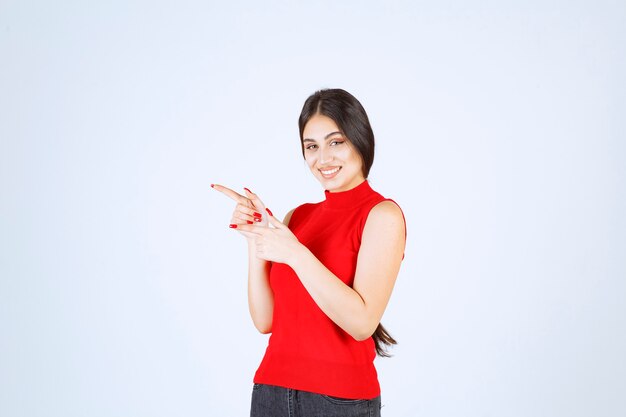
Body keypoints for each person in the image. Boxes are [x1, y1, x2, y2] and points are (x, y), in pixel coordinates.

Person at [212, 88, 406, 417]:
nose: (323, 158)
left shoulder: (381, 215)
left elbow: (361, 323)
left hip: (339, 402)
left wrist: (295, 253)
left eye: (336, 142)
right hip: (270, 392)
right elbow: (265, 321)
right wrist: (255, 238)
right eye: (311, 146)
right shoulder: (297, 217)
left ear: (360, 139)